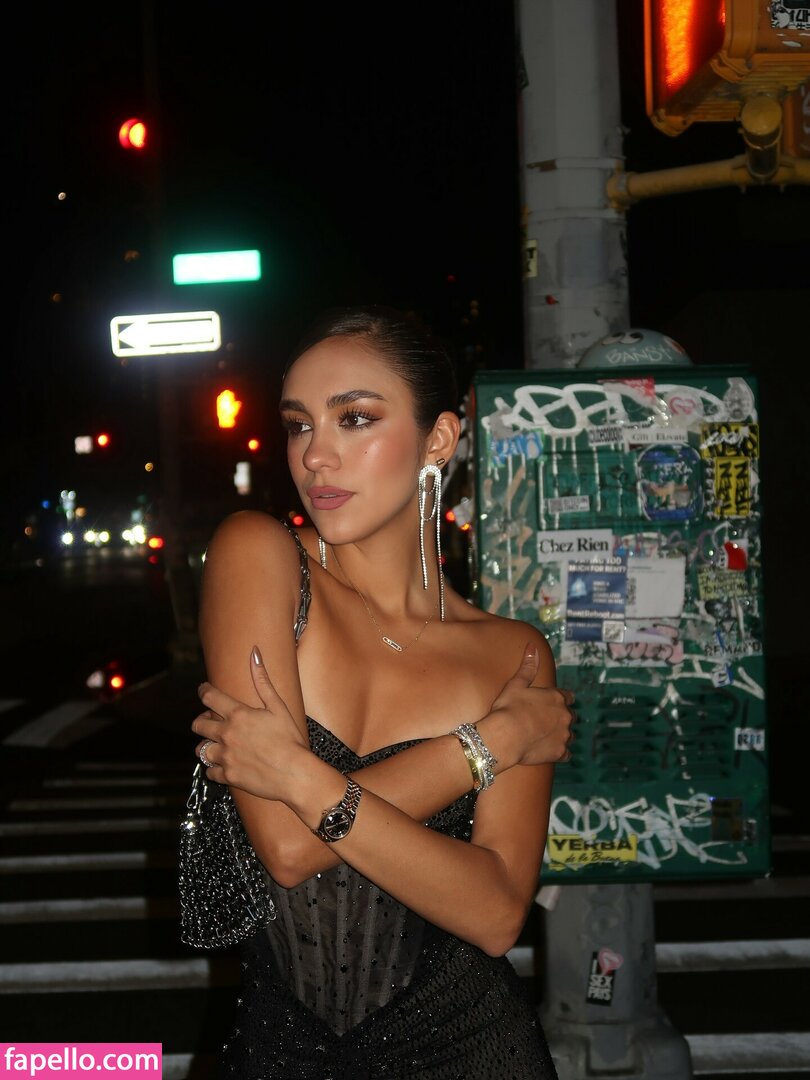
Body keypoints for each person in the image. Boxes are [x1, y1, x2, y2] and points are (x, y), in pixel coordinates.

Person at [191, 306, 576, 1079]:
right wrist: (487, 746)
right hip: (280, 1056)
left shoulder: (513, 655)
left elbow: (497, 913)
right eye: (299, 425)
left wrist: (298, 774)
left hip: (474, 1052)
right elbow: (288, 850)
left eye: (355, 418)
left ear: (439, 439)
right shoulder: (258, 555)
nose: (315, 455)